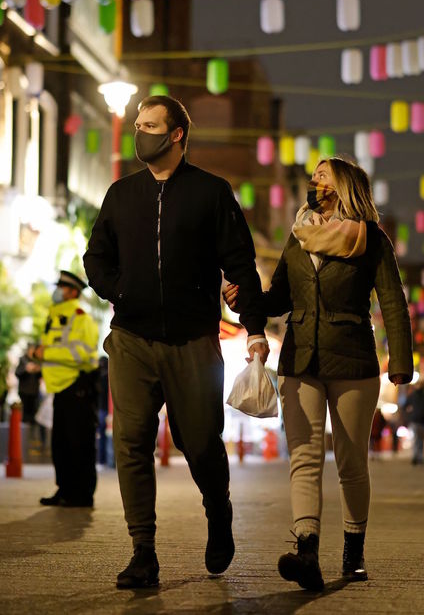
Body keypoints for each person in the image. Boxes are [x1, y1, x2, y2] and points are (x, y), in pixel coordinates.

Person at [83, 94, 268, 590]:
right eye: (138, 123)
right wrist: (120, 290)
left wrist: (254, 329)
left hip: (193, 340)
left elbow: (241, 265)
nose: (140, 132)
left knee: (200, 441)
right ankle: (143, 551)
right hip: (132, 338)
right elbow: (95, 258)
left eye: (149, 125)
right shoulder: (122, 195)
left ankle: (218, 509)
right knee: (132, 441)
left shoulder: (211, 193)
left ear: (176, 134)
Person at [225, 157, 413, 591]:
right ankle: (306, 549)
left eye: (323, 175)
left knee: (350, 462)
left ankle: (353, 552)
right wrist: (243, 301)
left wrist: (400, 362)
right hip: (300, 359)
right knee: (305, 457)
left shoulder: (370, 240)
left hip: (352, 359)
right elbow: (279, 299)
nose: (314, 182)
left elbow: (392, 302)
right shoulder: (298, 235)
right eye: (313, 176)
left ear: (345, 184)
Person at [28, 270, 99, 507]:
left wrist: (45, 353)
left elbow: (83, 354)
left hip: (77, 386)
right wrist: (37, 355)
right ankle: (65, 489)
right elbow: (54, 351)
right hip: (59, 388)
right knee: (61, 444)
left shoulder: (80, 318)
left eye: (61, 287)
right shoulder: (55, 316)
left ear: (72, 292)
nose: (56, 291)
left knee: (79, 442)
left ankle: (82, 494)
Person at [405, 380, 424, 465]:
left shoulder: (412, 396)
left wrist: (409, 414)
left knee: (416, 439)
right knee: (420, 439)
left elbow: (404, 406)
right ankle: (419, 457)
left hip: (415, 420)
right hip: (421, 421)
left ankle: (416, 456)